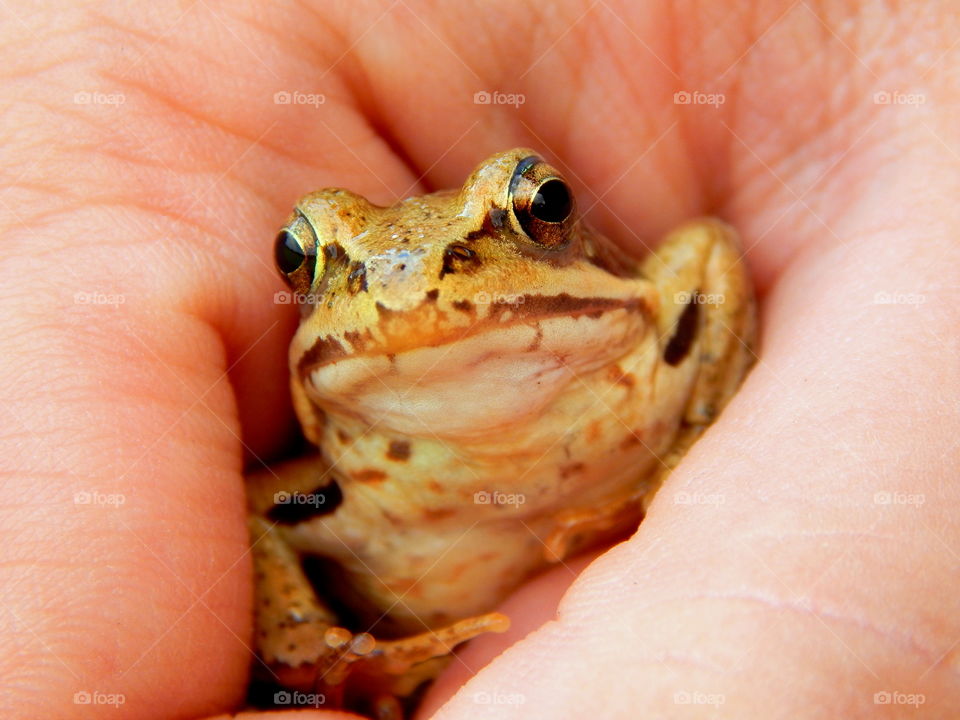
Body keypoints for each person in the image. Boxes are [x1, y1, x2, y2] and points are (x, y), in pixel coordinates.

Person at [1, 2, 955, 718]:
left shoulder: (659, 332)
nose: (417, 288)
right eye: (310, 262)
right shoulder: (322, 501)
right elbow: (263, 510)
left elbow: (699, 254)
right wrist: (311, 650)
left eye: (532, 212)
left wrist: (689, 446)